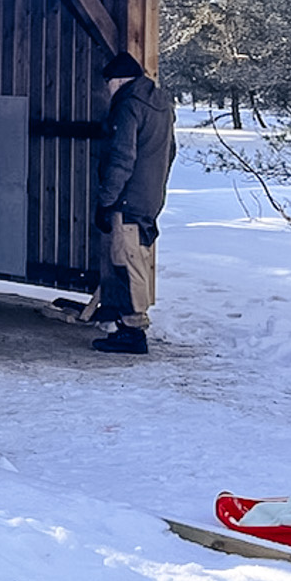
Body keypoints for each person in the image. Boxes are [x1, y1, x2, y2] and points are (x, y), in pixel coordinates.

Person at [87, 49, 177, 355]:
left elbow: (122, 158)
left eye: (109, 82)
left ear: (120, 79)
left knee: (127, 262)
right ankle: (126, 323)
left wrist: (105, 199)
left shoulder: (128, 106)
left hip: (127, 199)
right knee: (132, 257)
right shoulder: (161, 104)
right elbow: (171, 152)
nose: (107, 89)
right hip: (149, 195)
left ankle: (134, 330)